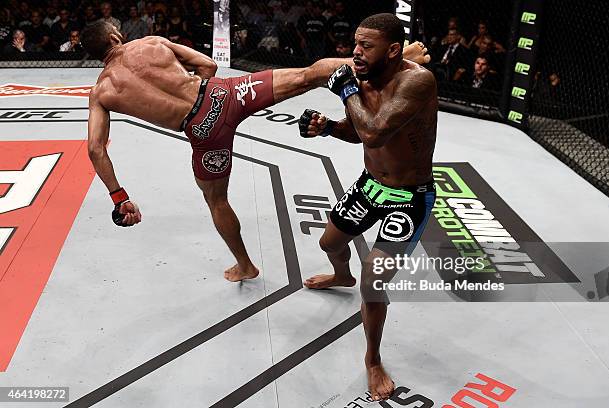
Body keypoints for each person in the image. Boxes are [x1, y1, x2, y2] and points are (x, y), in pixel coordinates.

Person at [79, 20, 430, 283]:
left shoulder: (102, 92)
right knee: (309, 75)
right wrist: (183, 83)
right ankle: (395, 65)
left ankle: (245, 265)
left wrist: (119, 197)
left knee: (217, 202)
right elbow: (209, 66)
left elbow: (96, 150)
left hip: (203, 133)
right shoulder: (151, 43)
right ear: (115, 37)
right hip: (226, 94)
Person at [298, 13, 437, 401]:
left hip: (410, 197)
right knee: (329, 245)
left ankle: (372, 360)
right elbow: (357, 129)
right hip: (370, 186)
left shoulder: (418, 81)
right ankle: (340, 276)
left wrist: (345, 91)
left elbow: (375, 132)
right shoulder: (363, 77)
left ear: (393, 50)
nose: (355, 52)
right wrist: (326, 126)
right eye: (355, 44)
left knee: (374, 280)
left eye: (366, 46)